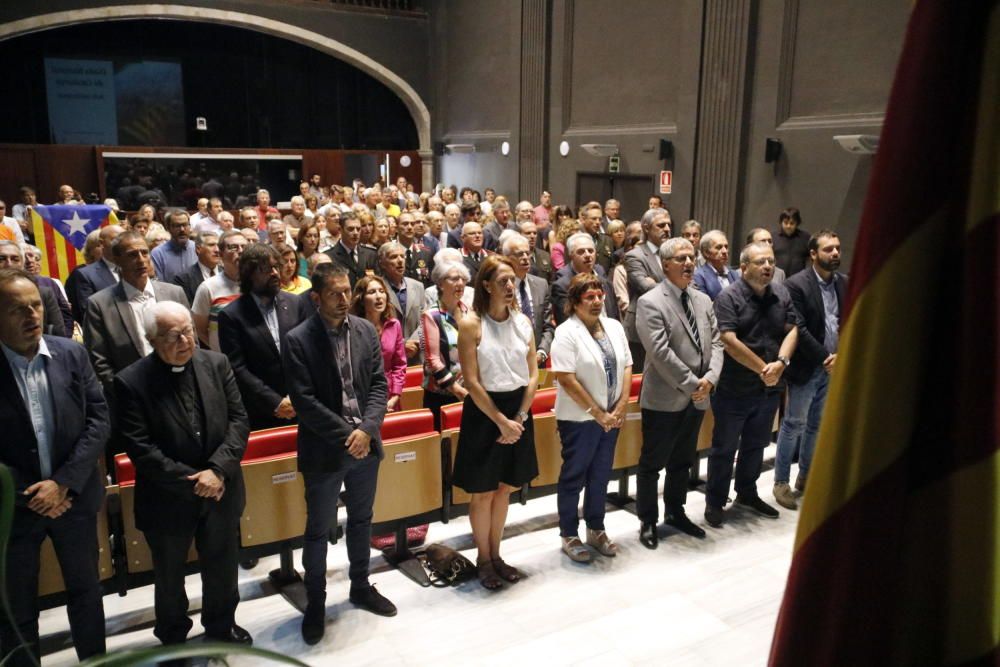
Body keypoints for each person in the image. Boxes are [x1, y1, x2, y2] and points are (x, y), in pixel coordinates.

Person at [115, 301, 252, 647]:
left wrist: (218, 471)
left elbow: (239, 421)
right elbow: (141, 449)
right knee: (170, 575)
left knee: (222, 566)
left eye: (188, 330)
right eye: (173, 335)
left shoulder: (217, 364)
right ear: (151, 339)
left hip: (221, 490)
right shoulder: (131, 382)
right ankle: (173, 637)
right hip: (168, 499)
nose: (185, 340)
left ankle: (221, 626)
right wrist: (196, 482)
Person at [0, 269, 109, 666]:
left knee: (86, 593)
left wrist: (63, 484)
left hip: (74, 500)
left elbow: (98, 419)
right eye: (17, 309)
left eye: (35, 305)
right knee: (17, 608)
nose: (32, 315)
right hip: (14, 510)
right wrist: (34, 493)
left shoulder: (71, 353)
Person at [283, 263, 395, 645]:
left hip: (365, 442)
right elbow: (304, 400)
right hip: (326, 449)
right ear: (316, 297)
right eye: (335, 293)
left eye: (348, 291)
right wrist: (351, 436)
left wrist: (367, 429)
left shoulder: (364, 329)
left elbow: (379, 384)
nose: (345, 299)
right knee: (318, 529)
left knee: (362, 520)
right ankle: (316, 602)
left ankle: (360, 585)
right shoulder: (298, 339)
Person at [454, 255, 539, 590]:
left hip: (518, 410)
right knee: (483, 492)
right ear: (485, 286)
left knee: (505, 487)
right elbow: (472, 382)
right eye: (502, 280)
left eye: (512, 280)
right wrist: (501, 421)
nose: (509, 286)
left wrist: (517, 417)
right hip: (485, 412)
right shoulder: (471, 324)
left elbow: (533, 376)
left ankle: (497, 554)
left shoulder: (522, 322)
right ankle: (483, 558)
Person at [635, 239, 723, 547]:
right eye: (681, 258)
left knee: (683, 461)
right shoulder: (650, 302)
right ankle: (647, 520)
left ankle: (675, 511)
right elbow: (659, 353)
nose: (689, 263)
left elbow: (718, 343)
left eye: (692, 258)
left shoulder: (703, 300)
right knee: (651, 463)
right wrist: (693, 383)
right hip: (665, 397)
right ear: (665, 264)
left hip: (698, 396)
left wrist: (710, 379)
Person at [705, 242, 798, 527]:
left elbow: (793, 328)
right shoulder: (728, 297)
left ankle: (747, 492)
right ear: (743, 267)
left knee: (756, 445)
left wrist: (781, 363)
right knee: (724, 448)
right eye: (761, 262)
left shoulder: (781, 293)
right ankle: (715, 501)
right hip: (736, 387)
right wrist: (763, 369)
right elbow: (729, 341)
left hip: (769, 387)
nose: (768, 266)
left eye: (770, 261)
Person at [550, 273, 632, 563]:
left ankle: (596, 528)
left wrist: (620, 406)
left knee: (600, 475)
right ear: (574, 302)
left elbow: (627, 366)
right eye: (589, 297)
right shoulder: (566, 332)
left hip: (612, 416)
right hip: (579, 419)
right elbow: (566, 379)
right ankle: (569, 534)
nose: (597, 301)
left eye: (600, 296)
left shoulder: (613, 326)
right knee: (574, 476)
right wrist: (598, 413)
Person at [772, 231, 846, 509]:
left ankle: (805, 475)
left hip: (832, 367)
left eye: (838, 248)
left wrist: (839, 356)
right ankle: (781, 482)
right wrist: (827, 357)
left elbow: (847, 320)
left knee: (817, 425)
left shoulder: (844, 283)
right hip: (808, 366)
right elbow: (798, 328)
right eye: (829, 249)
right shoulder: (797, 284)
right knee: (793, 425)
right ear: (813, 254)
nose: (836, 253)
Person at [84, 232, 189, 413]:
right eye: (133, 255)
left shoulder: (174, 293)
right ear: (117, 259)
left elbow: (189, 339)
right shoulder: (99, 304)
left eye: (144, 253)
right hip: (132, 397)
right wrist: (126, 390)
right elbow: (99, 359)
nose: (141, 260)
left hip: (179, 387)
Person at [218, 243, 310, 430]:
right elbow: (238, 368)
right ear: (249, 274)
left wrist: (300, 395)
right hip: (262, 411)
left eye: (276, 267)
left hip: (302, 403)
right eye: (266, 269)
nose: (275, 273)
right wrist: (275, 402)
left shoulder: (295, 303)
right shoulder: (231, 315)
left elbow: (308, 352)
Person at [420, 259, 471, 429]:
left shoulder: (468, 311)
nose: (460, 283)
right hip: (442, 395)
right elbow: (432, 360)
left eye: (463, 279)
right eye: (454, 278)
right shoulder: (431, 315)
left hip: (470, 390)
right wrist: (456, 389)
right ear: (441, 284)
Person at [624, 208, 671, 372]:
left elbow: (689, 284)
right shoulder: (635, 255)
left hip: (669, 325)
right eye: (661, 225)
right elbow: (646, 287)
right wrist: (674, 287)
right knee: (639, 381)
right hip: (641, 327)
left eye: (668, 225)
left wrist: (658, 282)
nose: (667, 229)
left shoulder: (672, 254)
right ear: (646, 228)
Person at [352, 274, 406, 412]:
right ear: (362, 299)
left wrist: (395, 396)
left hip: (389, 396)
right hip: (362, 396)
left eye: (382, 291)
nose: (378, 296)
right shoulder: (351, 328)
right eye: (372, 292)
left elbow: (399, 365)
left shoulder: (394, 325)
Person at [502, 233, 555, 367]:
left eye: (528, 253)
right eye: (520, 254)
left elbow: (548, 326)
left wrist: (542, 352)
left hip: (538, 360)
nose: (526, 258)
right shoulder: (500, 287)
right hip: (509, 361)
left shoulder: (541, 284)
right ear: (507, 258)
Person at [192, 230, 246, 351]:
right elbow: (199, 329)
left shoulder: (257, 283)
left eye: (244, 247)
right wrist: (220, 349)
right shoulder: (208, 287)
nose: (241, 251)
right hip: (224, 360)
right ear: (221, 254)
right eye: (233, 247)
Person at [379, 241, 425, 363]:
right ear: (382, 263)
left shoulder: (418, 286)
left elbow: (425, 321)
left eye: (402, 256)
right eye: (394, 257)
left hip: (416, 353)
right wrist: (402, 344)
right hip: (390, 357)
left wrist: (414, 342)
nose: (400, 260)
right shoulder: (377, 289)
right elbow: (377, 323)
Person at [68, 224, 123, 323]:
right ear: (102, 244)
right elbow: (89, 314)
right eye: (116, 240)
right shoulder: (85, 274)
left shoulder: (133, 267)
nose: (122, 244)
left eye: (124, 238)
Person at [326, 211, 378, 288]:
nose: (355, 233)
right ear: (340, 230)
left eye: (358, 229)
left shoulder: (370, 254)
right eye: (350, 229)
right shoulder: (329, 257)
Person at [172, 230, 220, 303]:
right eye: (211, 245)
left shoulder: (228, 273)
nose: (217, 250)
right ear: (198, 249)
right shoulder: (182, 279)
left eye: (219, 245)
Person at [150, 211, 197, 284]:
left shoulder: (198, 248)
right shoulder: (158, 254)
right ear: (168, 228)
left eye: (185, 225)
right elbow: (159, 285)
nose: (182, 229)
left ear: (190, 226)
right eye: (177, 226)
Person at [693, 231, 739, 301]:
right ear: (706, 252)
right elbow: (703, 305)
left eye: (726, 247)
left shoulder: (734, 274)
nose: (724, 251)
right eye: (719, 247)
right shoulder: (698, 276)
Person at [773, 207, 810, 276]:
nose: (788, 226)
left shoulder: (806, 237)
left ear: (797, 223)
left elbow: (812, 258)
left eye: (792, 223)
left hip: (798, 280)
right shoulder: (773, 237)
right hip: (777, 279)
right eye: (785, 223)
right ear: (781, 222)